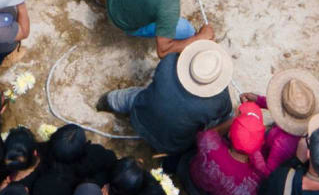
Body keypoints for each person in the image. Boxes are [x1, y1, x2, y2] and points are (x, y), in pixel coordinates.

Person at [98, 37, 233, 152]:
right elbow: (226, 115)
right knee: (221, 118)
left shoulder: (168, 63)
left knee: (130, 96)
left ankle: (106, 101)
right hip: (171, 145)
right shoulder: (219, 99)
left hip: (138, 116)